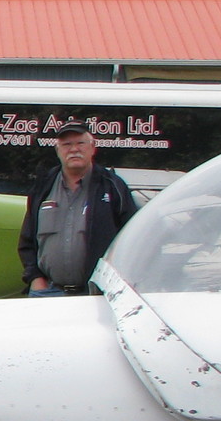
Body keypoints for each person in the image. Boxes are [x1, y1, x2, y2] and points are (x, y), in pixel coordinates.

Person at [19, 120, 136, 296]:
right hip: (48, 292)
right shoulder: (43, 186)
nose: (74, 149)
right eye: (67, 145)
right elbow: (27, 240)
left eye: (80, 143)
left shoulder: (113, 186)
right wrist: (35, 278)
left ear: (92, 147)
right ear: (58, 150)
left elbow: (131, 239)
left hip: (96, 294)